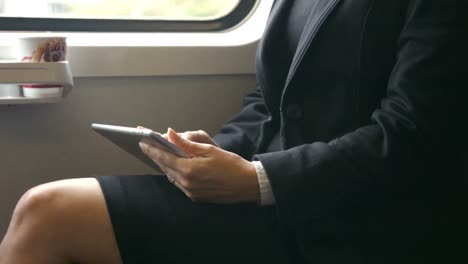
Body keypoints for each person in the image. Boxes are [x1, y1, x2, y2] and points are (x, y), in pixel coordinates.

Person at [0, 0, 466, 263]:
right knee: (42, 209)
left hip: (360, 221)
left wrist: (259, 180)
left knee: (48, 214)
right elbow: (270, 98)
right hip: (272, 201)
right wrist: (214, 152)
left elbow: (414, 135)